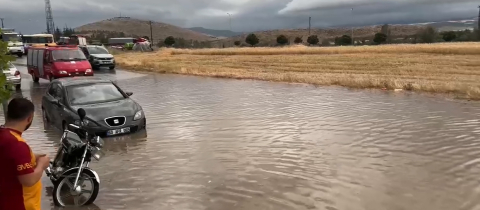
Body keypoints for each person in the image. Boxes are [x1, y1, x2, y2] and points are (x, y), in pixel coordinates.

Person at [0, 97, 50, 210]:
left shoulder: (3, 135)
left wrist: (32, 157)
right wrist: (41, 165)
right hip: (20, 205)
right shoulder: (16, 144)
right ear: (29, 118)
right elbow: (29, 180)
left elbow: (8, 160)